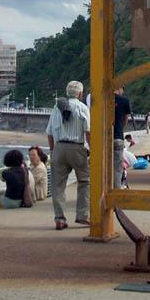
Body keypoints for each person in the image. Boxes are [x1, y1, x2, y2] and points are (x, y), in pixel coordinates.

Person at [46, 80, 90, 230]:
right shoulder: (82, 107)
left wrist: (52, 150)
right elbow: (88, 131)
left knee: (58, 186)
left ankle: (59, 219)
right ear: (80, 93)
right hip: (77, 147)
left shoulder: (56, 108)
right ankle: (82, 215)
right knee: (84, 181)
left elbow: (49, 132)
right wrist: (91, 148)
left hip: (59, 147)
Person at [113, 88, 132, 188]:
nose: (123, 91)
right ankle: (116, 190)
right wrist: (120, 129)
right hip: (117, 137)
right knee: (117, 168)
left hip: (103, 139)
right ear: (119, 87)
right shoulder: (124, 100)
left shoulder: (102, 99)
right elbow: (125, 120)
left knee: (103, 166)